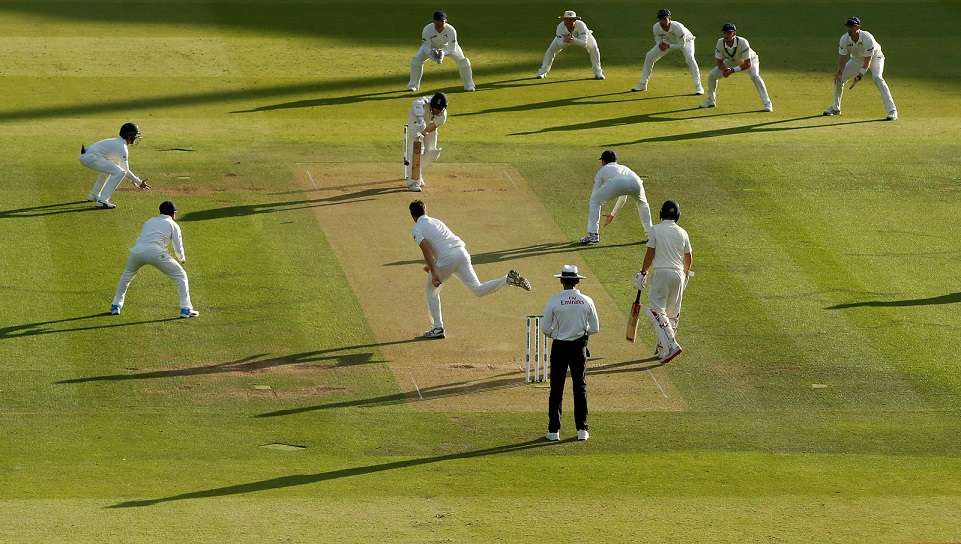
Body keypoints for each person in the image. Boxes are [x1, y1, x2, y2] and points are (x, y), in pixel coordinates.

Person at [409, 200, 531, 339]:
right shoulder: (437, 222)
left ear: (412, 216)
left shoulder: (417, 228)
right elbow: (443, 244)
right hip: (462, 254)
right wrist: (433, 267)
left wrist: (434, 271)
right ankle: (507, 279)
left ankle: (438, 328)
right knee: (478, 289)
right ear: (425, 210)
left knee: (431, 291)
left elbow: (426, 248)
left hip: (447, 259)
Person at [110, 201, 199, 319]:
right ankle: (186, 309)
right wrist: (181, 259)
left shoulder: (149, 221)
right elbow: (178, 246)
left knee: (127, 276)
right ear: (173, 214)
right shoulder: (173, 224)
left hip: (137, 251)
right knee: (181, 275)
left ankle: (116, 305)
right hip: (156, 253)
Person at [541, 264, 599, 442]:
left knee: (556, 388)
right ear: (577, 281)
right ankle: (582, 429)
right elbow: (595, 328)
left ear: (561, 281)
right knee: (580, 387)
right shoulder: (587, 300)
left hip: (559, 346)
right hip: (578, 347)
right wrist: (581, 332)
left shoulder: (554, 300)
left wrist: (557, 334)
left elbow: (545, 328)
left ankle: (553, 431)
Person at [634, 200, 691, 364]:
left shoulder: (655, 230)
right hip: (679, 274)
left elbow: (650, 253)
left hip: (661, 273)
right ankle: (662, 349)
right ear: (677, 215)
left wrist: (643, 272)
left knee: (655, 311)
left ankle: (672, 345)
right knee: (671, 314)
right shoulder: (683, 232)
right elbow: (688, 258)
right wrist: (684, 277)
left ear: (661, 214)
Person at [823, 17, 897, 120]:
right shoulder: (844, 39)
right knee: (839, 79)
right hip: (857, 60)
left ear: (858, 27)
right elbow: (842, 58)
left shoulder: (867, 38)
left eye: (852, 26)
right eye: (848, 26)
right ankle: (835, 108)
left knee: (878, 78)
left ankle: (892, 111)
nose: (849, 29)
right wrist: (839, 72)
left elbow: (867, 61)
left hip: (875, 58)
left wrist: (860, 75)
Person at [579, 150, 653, 245]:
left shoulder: (602, 170)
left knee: (594, 201)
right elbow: (623, 197)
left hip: (618, 182)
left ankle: (593, 234)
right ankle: (651, 236)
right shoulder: (624, 168)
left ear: (603, 161)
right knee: (643, 204)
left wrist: (597, 200)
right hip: (636, 181)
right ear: (615, 161)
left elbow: (595, 194)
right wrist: (613, 214)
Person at [700, 23, 773, 112]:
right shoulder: (720, 42)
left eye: (728, 33)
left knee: (755, 76)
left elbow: (747, 64)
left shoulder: (743, 42)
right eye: (724, 33)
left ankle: (767, 104)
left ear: (734, 34)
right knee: (712, 75)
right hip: (732, 61)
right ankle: (711, 100)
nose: (726, 35)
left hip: (751, 60)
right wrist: (725, 70)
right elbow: (719, 61)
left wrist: (732, 70)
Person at [80, 122, 151, 209]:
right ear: (129, 136)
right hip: (91, 158)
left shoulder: (117, 142)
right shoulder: (122, 147)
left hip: (87, 156)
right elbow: (125, 170)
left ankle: (94, 195)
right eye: (135, 135)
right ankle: (103, 200)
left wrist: (135, 180)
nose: (136, 137)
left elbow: (119, 166)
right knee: (120, 172)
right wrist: (139, 182)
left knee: (112, 168)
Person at [631, 8, 703, 94]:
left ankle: (699, 86)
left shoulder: (678, 28)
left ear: (669, 19)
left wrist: (668, 46)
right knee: (649, 56)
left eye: (664, 19)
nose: (662, 22)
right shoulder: (656, 27)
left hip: (686, 41)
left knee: (690, 58)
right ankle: (643, 84)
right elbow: (658, 40)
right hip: (668, 42)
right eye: (660, 19)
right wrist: (660, 44)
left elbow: (681, 45)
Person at [408, 11, 476, 92]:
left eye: (442, 21)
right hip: (431, 48)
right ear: (434, 21)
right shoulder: (427, 29)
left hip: (448, 47)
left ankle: (469, 85)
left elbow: (452, 48)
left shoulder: (451, 30)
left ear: (446, 21)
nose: (440, 24)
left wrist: (443, 53)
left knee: (464, 62)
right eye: (438, 22)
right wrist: (432, 54)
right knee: (416, 61)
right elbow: (426, 47)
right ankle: (413, 85)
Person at [535, 10, 605, 80]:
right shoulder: (560, 27)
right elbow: (560, 45)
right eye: (567, 20)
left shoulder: (581, 25)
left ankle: (598, 73)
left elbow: (584, 43)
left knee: (594, 48)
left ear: (575, 20)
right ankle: (542, 72)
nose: (569, 22)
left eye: (571, 20)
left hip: (582, 37)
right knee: (550, 51)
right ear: (564, 20)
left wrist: (573, 40)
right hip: (564, 40)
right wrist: (567, 40)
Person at [404, 93, 448, 192]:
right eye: (434, 108)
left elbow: (431, 128)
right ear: (431, 104)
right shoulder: (423, 104)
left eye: (439, 109)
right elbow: (415, 103)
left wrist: (422, 133)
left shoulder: (442, 116)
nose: (436, 111)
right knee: (416, 151)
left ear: (443, 108)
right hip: (415, 119)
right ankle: (413, 182)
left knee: (432, 151)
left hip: (428, 125)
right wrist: (419, 119)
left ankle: (417, 173)